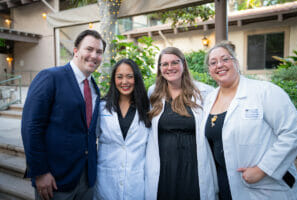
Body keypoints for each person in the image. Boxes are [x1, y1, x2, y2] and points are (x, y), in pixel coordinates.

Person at [198, 41, 297, 200]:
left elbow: (293, 132)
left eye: (225, 59)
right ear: (210, 70)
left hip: (264, 185)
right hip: (225, 183)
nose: (219, 65)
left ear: (236, 63)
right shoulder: (209, 99)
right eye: (213, 62)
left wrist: (262, 169)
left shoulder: (265, 91)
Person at [21, 30, 106, 200]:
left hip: (86, 178)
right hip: (54, 179)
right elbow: (31, 127)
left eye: (99, 52)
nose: (94, 55)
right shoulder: (50, 77)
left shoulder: (94, 87)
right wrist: (40, 172)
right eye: (88, 49)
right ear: (76, 51)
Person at [145, 47, 218, 200]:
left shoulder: (204, 92)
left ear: (183, 64)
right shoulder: (153, 93)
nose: (170, 68)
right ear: (159, 69)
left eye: (174, 62)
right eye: (164, 64)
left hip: (194, 166)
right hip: (164, 167)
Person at [93, 58, 151, 200]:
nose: (124, 82)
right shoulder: (101, 106)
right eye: (119, 77)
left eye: (129, 76)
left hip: (136, 182)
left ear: (136, 79)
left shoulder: (148, 108)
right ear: (114, 80)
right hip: (106, 181)